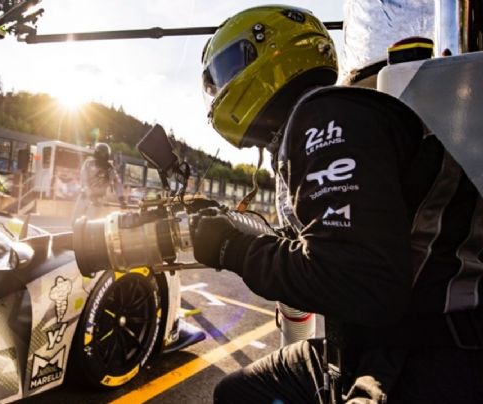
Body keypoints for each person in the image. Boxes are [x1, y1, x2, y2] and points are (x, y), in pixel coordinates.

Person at [192, 5, 483, 403]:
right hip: (373, 345)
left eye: (224, 72)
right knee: (238, 391)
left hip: (430, 351)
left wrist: (231, 247)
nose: (219, 92)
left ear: (266, 52)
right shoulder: (334, 120)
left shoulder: (328, 114)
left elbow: (358, 282)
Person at [72, 142, 126, 221]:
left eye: (104, 154)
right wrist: (89, 194)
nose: (102, 156)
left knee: (91, 224)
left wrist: (121, 199)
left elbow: (117, 183)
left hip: (98, 200)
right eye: (101, 154)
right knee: (75, 220)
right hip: (84, 197)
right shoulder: (88, 164)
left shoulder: (110, 169)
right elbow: (84, 180)